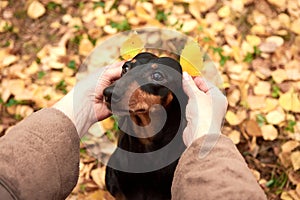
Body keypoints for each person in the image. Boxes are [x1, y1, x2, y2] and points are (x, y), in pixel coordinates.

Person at [0, 62, 267, 200]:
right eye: (128, 69)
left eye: (158, 77)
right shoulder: (118, 169)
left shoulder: (183, 175)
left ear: (176, 97)